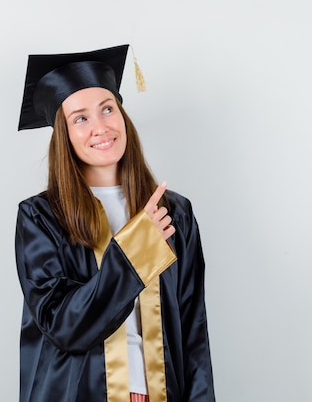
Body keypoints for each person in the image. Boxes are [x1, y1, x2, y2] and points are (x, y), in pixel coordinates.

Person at [15, 44, 215, 402]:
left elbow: (193, 333)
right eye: (80, 118)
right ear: (64, 134)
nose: (101, 127)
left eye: (108, 109)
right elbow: (64, 327)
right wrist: (137, 249)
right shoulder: (41, 218)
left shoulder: (174, 213)